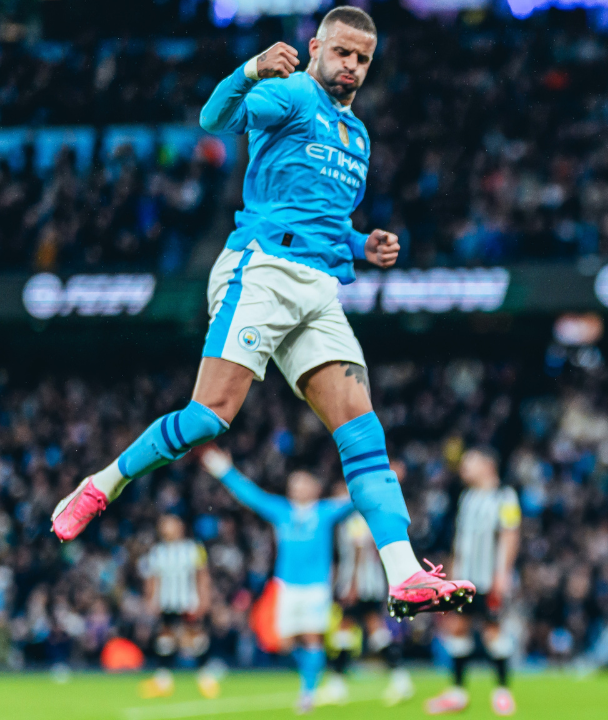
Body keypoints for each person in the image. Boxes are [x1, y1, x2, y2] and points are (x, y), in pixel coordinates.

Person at [49, 5, 473, 618]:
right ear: (318, 46)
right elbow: (213, 117)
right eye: (343, 53)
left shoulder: (359, 137)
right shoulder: (291, 94)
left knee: (363, 432)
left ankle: (404, 572)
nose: (351, 66)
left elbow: (322, 216)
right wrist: (250, 68)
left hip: (319, 289)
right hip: (262, 270)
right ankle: (101, 484)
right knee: (207, 419)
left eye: (363, 59)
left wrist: (362, 244)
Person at [198, 446, 353, 713]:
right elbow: (251, 496)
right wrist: (224, 470)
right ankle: (322, 675)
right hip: (286, 585)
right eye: (294, 483)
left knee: (312, 637)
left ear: (315, 488)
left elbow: (356, 501)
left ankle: (309, 692)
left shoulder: (326, 511)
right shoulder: (281, 511)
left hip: (316, 586)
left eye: (304, 483)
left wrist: (382, 477)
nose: (298, 487)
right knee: (282, 641)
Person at [426, 448, 521, 716]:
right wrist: (451, 577)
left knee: (492, 631)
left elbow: (510, 537)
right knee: (456, 628)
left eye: (470, 463)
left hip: (489, 578)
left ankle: (502, 692)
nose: (463, 469)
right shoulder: (466, 498)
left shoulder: (505, 496)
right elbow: (460, 542)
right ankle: (457, 693)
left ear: (488, 464)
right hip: (464, 579)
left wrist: (502, 575)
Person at [322, 480, 413, 707]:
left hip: (361, 583)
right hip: (365, 582)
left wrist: (352, 584)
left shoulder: (354, 517)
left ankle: (340, 684)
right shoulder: (352, 517)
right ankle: (396, 679)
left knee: (360, 632)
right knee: (366, 632)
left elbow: (360, 549)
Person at [138, 515, 219, 700]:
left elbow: (203, 575)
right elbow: (152, 578)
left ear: (180, 527)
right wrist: (150, 600)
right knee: (165, 640)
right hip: (166, 602)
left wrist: (204, 599)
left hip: (187, 601)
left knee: (195, 638)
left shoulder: (193, 549)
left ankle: (205, 677)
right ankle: (163, 681)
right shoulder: (157, 552)